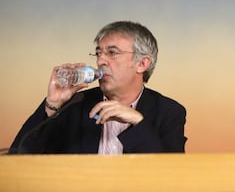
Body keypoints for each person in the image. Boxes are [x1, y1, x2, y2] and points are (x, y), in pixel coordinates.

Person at [10, 21, 187, 154]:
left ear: (142, 63)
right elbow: (18, 157)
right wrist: (53, 104)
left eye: (112, 52)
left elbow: (170, 174)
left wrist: (137, 123)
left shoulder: (169, 112)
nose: (100, 60)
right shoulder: (75, 104)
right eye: (98, 53)